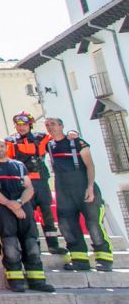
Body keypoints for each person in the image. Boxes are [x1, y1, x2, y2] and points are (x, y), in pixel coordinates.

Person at [0, 137, 55, 293]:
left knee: (31, 241)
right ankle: (15, 279)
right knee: (9, 242)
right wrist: (10, 205)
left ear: (6, 147)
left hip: (23, 204)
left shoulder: (19, 165)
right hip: (1, 205)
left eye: (2, 146)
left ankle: (37, 279)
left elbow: (29, 188)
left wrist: (19, 203)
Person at [44, 117, 114, 272]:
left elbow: (90, 165)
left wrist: (90, 187)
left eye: (53, 124)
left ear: (61, 125)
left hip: (83, 188)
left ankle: (104, 259)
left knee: (94, 224)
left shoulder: (76, 142)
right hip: (63, 190)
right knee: (67, 225)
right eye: (47, 125)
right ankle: (79, 259)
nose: (50, 127)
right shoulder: (48, 145)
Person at [6, 112, 64, 254]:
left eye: (25, 125)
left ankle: (53, 245)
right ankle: (32, 247)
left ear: (30, 125)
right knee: (28, 217)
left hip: (41, 182)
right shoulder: (10, 141)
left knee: (47, 214)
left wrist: (72, 134)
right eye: (18, 125)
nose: (22, 128)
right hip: (23, 184)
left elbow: (58, 137)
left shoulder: (41, 138)